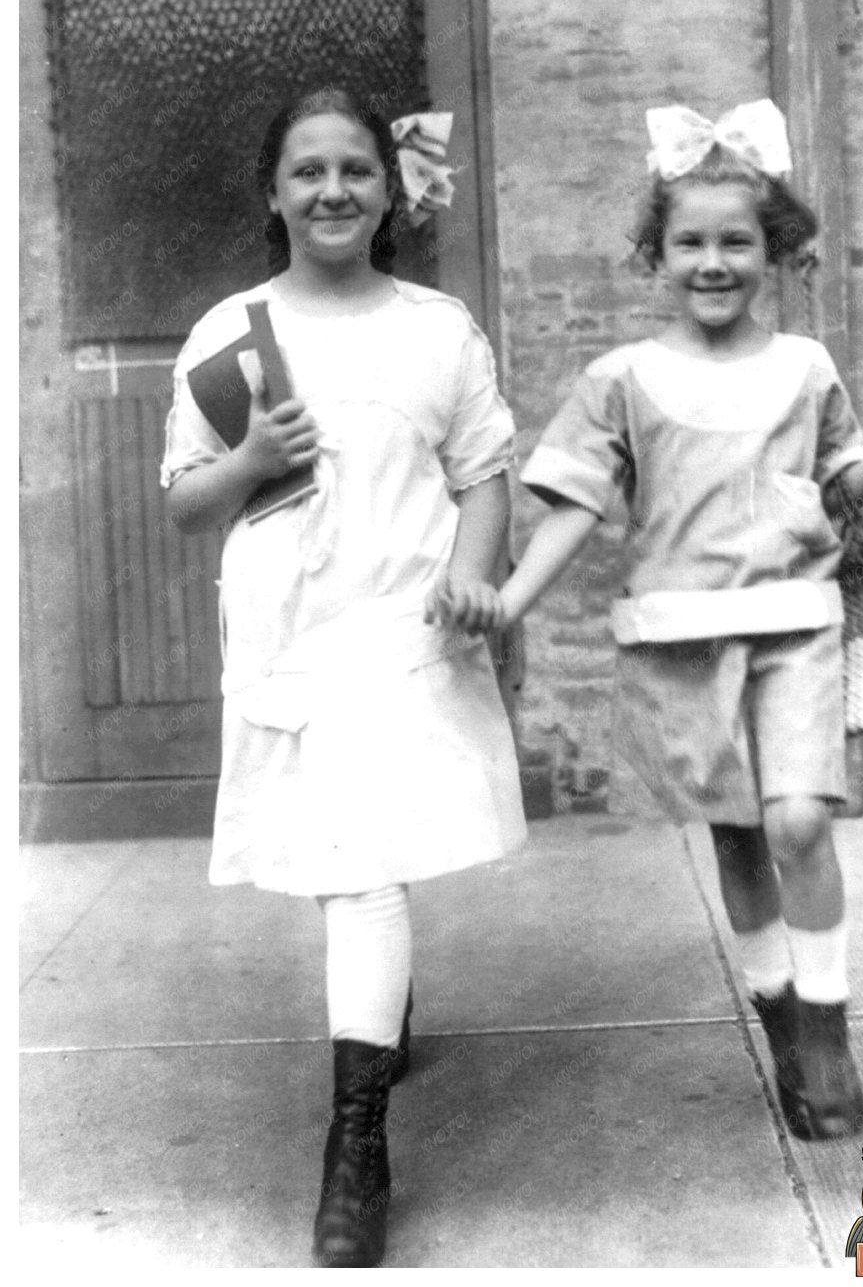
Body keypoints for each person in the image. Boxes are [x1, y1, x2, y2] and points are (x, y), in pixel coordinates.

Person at [488, 101, 863, 1142]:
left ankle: (824, 1030)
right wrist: (503, 605)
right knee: (735, 834)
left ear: (772, 250)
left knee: (798, 820)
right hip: (681, 635)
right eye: (689, 242)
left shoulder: (804, 368)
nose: (712, 262)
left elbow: (830, 487)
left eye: (736, 241)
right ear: (656, 252)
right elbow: (575, 506)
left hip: (796, 624)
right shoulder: (619, 380)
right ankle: (775, 1009)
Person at [160, 85, 526, 1266]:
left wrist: (473, 579)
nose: (332, 191)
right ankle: (385, 1005)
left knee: (364, 874)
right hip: (286, 634)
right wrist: (252, 456)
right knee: (346, 871)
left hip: (401, 631)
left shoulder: (437, 328)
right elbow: (182, 503)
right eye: (307, 172)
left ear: (391, 189)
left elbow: (482, 474)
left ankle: (355, 1148)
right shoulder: (230, 331)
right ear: (272, 193)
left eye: (355, 171)